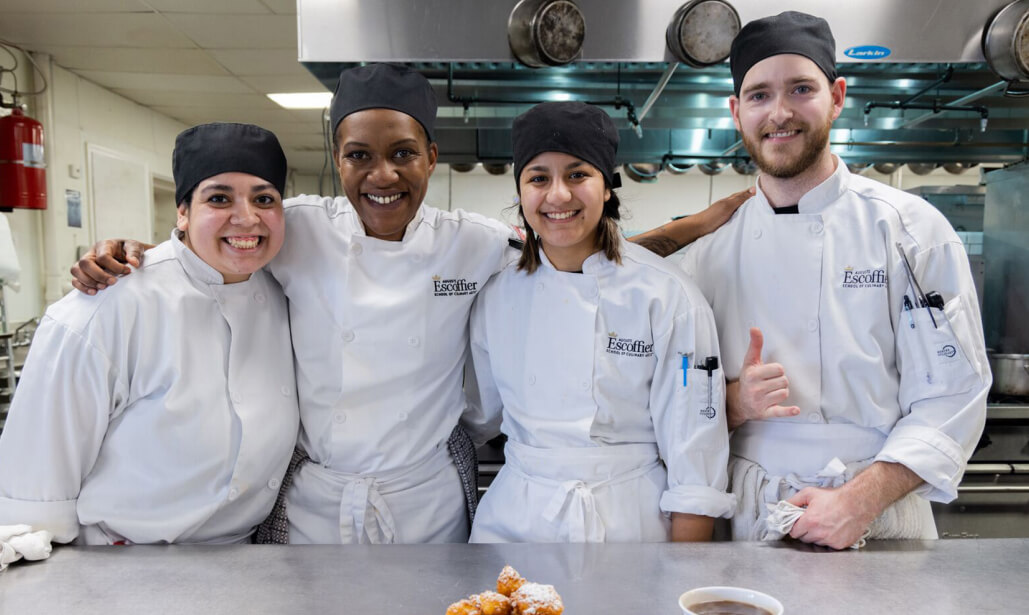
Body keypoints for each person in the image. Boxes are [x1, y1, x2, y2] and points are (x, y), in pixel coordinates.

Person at [69, 64, 750, 545]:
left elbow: (579, 250)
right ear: (337, 159)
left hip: (432, 498)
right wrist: (135, 253)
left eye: (402, 153)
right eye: (359, 155)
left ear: (430, 155)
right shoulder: (294, 228)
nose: (382, 173)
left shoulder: (477, 246)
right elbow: (222, 241)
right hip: (324, 495)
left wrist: (688, 229)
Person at [679, 12, 991, 549]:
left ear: (838, 95)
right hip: (751, 512)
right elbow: (674, 397)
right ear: (736, 111)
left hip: (882, 510)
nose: (779, 113)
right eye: (758, 95)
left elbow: (955, 395)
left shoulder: (910, 231)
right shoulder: (706, 252)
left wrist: (859, 500)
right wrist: (732, 403)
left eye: (801, 89)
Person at [0, 123, 298, 545]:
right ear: (183, 211)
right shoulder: (105, 307)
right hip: (121, 571)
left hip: (247, 564)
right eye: (218, 198)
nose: (247, 217)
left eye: (264, 199)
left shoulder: (288, 293)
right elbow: (31, 498)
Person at [468, 102, 735, 543]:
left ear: (607, 187)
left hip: (628, 525)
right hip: (514, 523)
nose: (557, 195)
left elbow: (696, 452)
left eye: (578, 175)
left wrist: (684, 574)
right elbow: (481, 413)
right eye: (538, 178)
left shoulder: (668, 295)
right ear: (520, 193)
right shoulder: (497, 295)